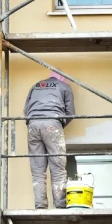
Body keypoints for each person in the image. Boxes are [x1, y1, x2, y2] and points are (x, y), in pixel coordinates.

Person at [24, 71, 76, 209]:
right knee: (58, 168)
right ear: (62, 78)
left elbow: (26, 110)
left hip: (33, 125)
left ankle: (40, 206)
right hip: (53, 123)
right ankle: (60, 206)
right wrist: (59, 125)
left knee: (38, 170)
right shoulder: (64, 86)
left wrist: (33, 123)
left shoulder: (36, 86)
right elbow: (70, 112)